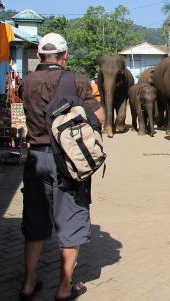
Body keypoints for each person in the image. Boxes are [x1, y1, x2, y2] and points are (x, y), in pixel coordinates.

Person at [18, 33, 104, 301]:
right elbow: (99, 116)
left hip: (36, 159)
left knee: (35, 220)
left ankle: (29, 284)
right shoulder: (76, 80)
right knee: (70, 220)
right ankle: (65, 287)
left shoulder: (27, 81)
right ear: (64, 55)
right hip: (68, 162)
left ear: (39, 56)